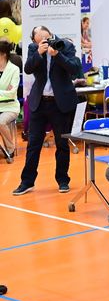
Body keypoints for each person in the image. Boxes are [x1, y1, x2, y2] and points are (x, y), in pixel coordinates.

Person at [13, 26, 79, 196]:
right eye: (39, 41)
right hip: (39, 102)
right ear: (35, 41)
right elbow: (28, 69)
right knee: (33, 144)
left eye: (46, 39)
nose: (44, 42)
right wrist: (39, 53)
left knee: (62, 144)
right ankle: (27, 182)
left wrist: (57, 55)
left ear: (50, 34)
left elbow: (75, 68)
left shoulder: (65, 45)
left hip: (60, 103)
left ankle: (63, 180)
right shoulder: (33, 48)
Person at [0, 38, 20, 162]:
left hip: (10, 107)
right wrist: (4, 92)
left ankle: (10, 148)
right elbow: (7, 92)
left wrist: (6, 93)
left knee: (0, 122)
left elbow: (12, 93)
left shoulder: (14, 69)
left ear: (3, 54)